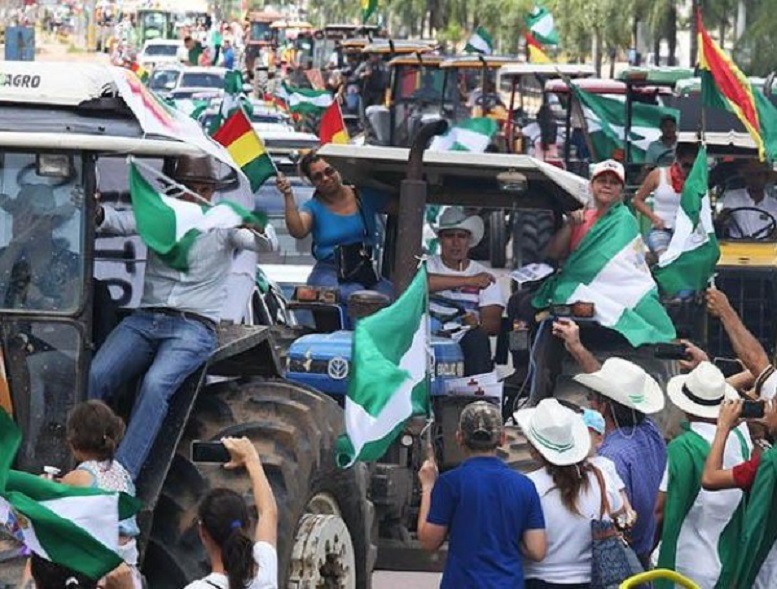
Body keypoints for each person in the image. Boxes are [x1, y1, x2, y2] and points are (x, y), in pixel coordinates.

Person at [89, 155, 269, 480]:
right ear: (172, 189)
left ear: (213, 192)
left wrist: (255, 226)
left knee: (156, 384)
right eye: (189, 187)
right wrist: (97, 210)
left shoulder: (223, 224)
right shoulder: (161, 217)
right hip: (147, 320)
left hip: (193, 326)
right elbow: (116, 221)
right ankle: (90, 459)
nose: (196, 194)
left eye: (204, 188)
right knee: (99, 372)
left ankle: (121, 477)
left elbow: (258, 241)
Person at [558, 323, 666, 568]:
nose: (590, 402)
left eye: (592, 398)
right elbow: (615, 391)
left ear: (604, 406)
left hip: (624, 557)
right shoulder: (650, 431)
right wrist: (577, 347)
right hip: (644, 553)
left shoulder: (610, 458)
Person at [417, 400, 547, 588]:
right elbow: (537, 550)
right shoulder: (524, 486)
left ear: (459, 437)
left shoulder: (450, 484)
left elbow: (429, 541)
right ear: (502, 439)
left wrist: (428, 486)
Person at [655, 362, 749, 588]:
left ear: (686, 407)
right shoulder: (741, 439)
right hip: (725, 558)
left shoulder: (683, 447)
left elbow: (659, 509)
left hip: (684, 563)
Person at [516, 399, 625, 588]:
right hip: (592, 580)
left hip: (539, 580)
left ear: (535, 449)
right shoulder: (601, 478)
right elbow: (619, 510)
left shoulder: (528, 485)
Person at [277, 150, 394, 302]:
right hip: (329, 273)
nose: (325, 178)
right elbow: (298, 230)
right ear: (312, 182)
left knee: (393, 296)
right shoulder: (313, 207)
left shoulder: (363, 196)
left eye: (329, 171)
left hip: (363, 271)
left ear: (339, 170)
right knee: (358, 299)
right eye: (318, 177)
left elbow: (405, 206)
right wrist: (288, 195)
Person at [59, 401, 141, 588]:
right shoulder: (122, 472)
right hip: (129, 562)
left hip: (103, 565)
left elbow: (55, 504)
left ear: (73, 439)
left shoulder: (80, 476)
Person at [702, 400, 777, 587]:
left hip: (765, 565)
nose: (767, 408)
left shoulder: (769, 463)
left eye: (774, 404)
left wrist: (723, 428)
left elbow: (710, 478)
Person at [185, 437, 278, 589]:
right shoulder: (264, 573)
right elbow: (267, 512)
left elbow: (268, 513)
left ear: (202, 532)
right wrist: (251, 459)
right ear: (246, 524)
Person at [427, 207, 504, 375]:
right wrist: (469, 281)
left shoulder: (485, 276)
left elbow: (492, 325)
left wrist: (476, 325)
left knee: (477, 340)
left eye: (461, 236)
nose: (456, 243)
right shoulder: (427, 265)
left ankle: (476, 397)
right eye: (449, 236)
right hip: (425, 331)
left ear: (469, 240)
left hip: (463, 334)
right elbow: (422, 283)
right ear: (440, 239)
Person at [0, 184, 79, 310]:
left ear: (53, 222)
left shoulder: (73, 264)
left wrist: (41, 301)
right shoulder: (3, 256)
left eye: (35, 218)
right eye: (18, 216)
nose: (27, 226)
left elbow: (73, 312)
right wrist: (15, 245)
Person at [544, 159, 626, 262]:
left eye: (614, 183)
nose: (607, 186)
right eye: (602, 181)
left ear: (621, 190)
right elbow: (553, 254)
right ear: (591, 186)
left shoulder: (625, 221)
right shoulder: (581, 218)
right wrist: (570, 224)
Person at [633, 142, 699, 257]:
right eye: (686, 165)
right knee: (664, 255)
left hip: (687, 231)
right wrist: (654, 218)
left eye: (693, 166)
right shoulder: (659, 174)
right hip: (662, 229)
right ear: (678, 160)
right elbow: (637, 200)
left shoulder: (698, 180)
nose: (689, 170)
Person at [719, 160, 777, 239]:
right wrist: (725, 217)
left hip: (764, 248)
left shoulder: (774, 205)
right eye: (751, 175)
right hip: (735, 247)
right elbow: (724, 219)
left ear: (765, 178)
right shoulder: (733, 197)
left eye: (759, 175)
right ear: (746, 178)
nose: (754, 179)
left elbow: (774, 232)